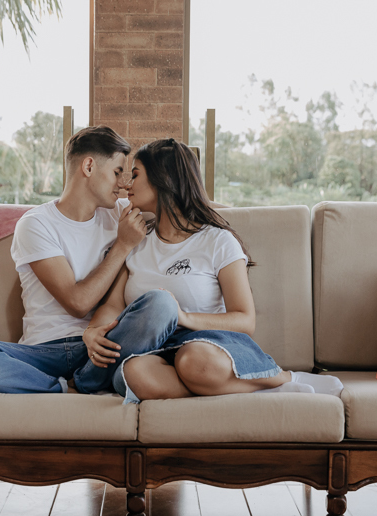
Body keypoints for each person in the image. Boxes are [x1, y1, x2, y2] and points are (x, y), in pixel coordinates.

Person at [80, 138, 342, 403]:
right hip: (155, 353)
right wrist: (93, 331)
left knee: (194, 360)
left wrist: (181, 317)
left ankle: (283, 379)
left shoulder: (217, 241)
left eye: (135, 175)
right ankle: (251, 387)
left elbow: (244, 320)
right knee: (133, 373)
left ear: (164, 179)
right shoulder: (136, 239)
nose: (127, 184)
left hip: (210, 346)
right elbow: (114, 306)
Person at [0, 126, 156, 394]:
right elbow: (77, 303)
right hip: (43, 353)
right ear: (89, 166)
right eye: (117, 172)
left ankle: (81, 380)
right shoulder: (36, 224)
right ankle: (60, 388)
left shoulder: (120, 214)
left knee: (157, 307)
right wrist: (122, 246)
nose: (123, 183)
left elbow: (178, 206)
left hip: (100, 350)